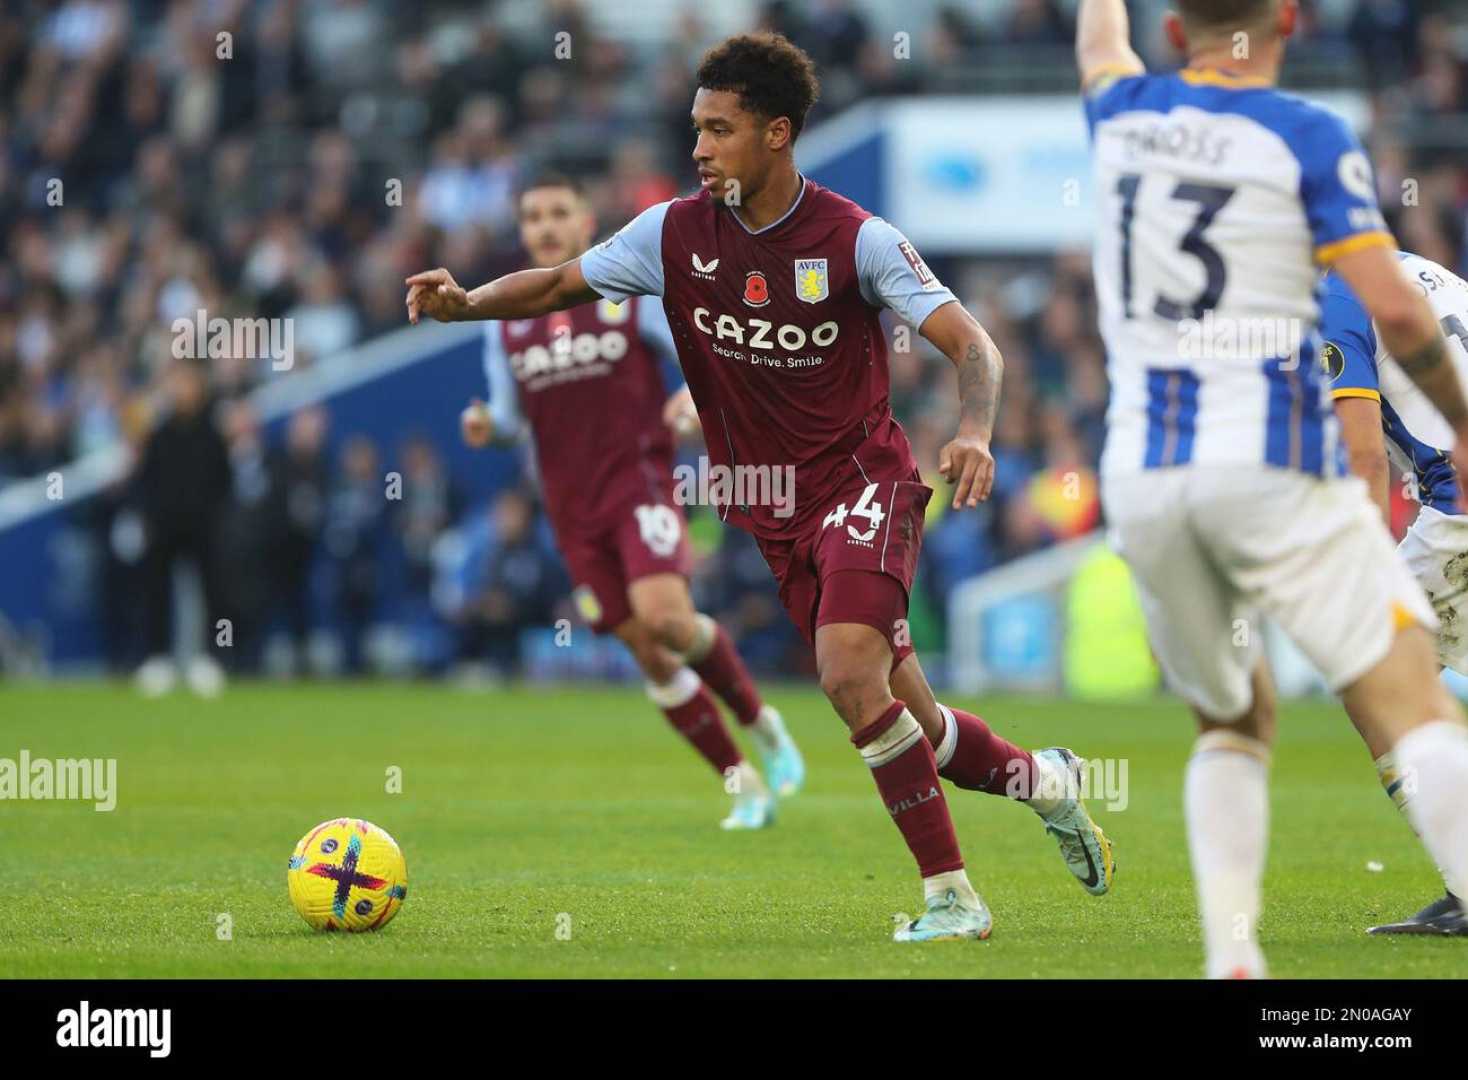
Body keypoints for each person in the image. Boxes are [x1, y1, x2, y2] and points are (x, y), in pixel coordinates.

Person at [410, 33, 1113, 942]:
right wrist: (470, 300)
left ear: (776, 134)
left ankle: (951, 897)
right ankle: (1047, 782)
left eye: (718, 130)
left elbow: (974, 344)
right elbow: (553, 286)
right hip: (771, 512)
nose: (697, 150)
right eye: (694, 131)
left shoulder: (857, 240)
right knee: (923, 730)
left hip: (865, 485)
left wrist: (974, 429)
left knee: (847, 674)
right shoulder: (670, 233)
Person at [1077, 0, 1468, 976]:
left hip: (1145, 477)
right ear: (1289, 20)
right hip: (1277, 467)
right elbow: (1396, 320)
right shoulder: (1309, 139)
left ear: (1172, 30)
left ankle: (1233, 957)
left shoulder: (1121, 118)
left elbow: (1096, 48)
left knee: (1233, 721)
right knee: (1406, 697)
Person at [460, 171, 802, 831]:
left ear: (587, 223)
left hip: (637, 485)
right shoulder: (506, 323)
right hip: (569, 509)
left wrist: (689, 397)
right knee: (644, 648)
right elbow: (508, 417)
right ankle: (743, 785)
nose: (546, 226)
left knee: (668, 621)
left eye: (559, 211)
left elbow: (703, 355)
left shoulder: (626, 291)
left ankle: (762, 720)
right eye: (533, 216)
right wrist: (487, 427)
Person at [1321, 249, 1468, 936]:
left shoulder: (1338, 292)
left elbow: (1364, 456)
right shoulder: (1425, 271)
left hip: (1459, 508)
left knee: (1372, 678)